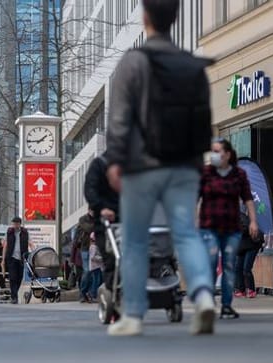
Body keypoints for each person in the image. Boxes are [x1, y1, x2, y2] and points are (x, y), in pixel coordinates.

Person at [105, 0, 216, 336]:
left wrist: (115, 160)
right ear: (175, 18)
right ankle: (204, 295)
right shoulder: (192, 65)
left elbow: (120, 117)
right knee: (185, 233)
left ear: (145, 18)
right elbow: (203, 119)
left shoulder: (134, 62)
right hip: (184, 165)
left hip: (142, 165)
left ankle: (134, 315)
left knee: (136, 240)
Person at [199, 139, 259, 319]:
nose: (214, 155)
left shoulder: (238, 174)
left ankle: (226, 305)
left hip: (232, 228)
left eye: (218, 151)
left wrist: (253, 221)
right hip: (209, 226)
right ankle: (208, 302)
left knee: (229, 266)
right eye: (213, 151)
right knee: (209, 264)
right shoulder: (206, 173)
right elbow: (197, 197)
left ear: (227, 154)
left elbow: (248, 199)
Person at [84, 152, 120, 294]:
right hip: (106, 221)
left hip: (132, 218)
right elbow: (90, 189)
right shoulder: (100, 164)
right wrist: (101, 208)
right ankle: (114, 293)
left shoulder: (138, 161)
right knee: (111, 259)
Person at [1, 217, 33, 304]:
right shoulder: (9, 232)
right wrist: (3, 260)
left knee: (19, 278)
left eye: (16, 224)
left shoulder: (25, 233)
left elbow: (30, 243)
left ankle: (14, 294)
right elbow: (5, 246)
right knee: (12, 278)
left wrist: (34, 253)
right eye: (13, 223)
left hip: (22, 258)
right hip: (11, 258)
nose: (14, 225)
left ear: (19, 224)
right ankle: (14, 297)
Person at [235, 212, 264, 299]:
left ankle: (251, 290)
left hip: (252, 244)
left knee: (246, 268)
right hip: (241, 247)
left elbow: (247, 228)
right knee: (238, 268)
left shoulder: (240, 216)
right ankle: (241, 290)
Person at [75, 210, 95, 302]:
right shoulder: (83, 219)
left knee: (94, 272)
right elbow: (88, 228)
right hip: (85, 248)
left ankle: (89, 293)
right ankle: (82, 292)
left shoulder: (97, 219)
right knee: (87, 270)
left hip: (95, 248)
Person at [88, 232, 103, 302]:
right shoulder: (93, 247)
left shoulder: (93, 246)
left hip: (97, 266)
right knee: (96, 281)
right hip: (95, 267)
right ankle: (93, 295)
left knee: (97, 281)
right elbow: (93, 257)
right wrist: (101, 258)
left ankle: (94, 294)